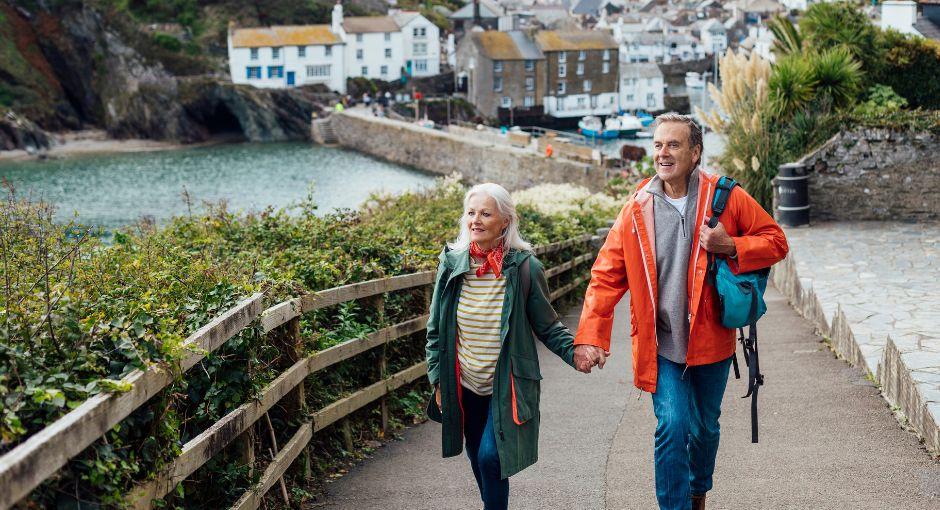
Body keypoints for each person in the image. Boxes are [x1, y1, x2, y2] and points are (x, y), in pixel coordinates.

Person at [573, 113, 788, 510]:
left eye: (673, 145)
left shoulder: (725, 198)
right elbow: (606, 275)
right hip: (662, 344)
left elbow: (776, 241)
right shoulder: (637, 207)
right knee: (672, 426)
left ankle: (698, 489)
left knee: (704, 429)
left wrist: (732, 246)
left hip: (711, 341)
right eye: (657, 145)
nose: (663, 153)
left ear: (695, 152)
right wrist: (590, 337)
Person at [425, 183, 586, 510]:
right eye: (471, 213)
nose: (476, 220)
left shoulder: (525, 268)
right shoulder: (452, 264)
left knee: (490, 459)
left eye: (486, 213)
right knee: (476, 456)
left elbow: (548, 325)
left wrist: (576, 352)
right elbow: (435, 329)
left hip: (506, 386)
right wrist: (438, 381)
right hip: (465, 384)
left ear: (505, 221)